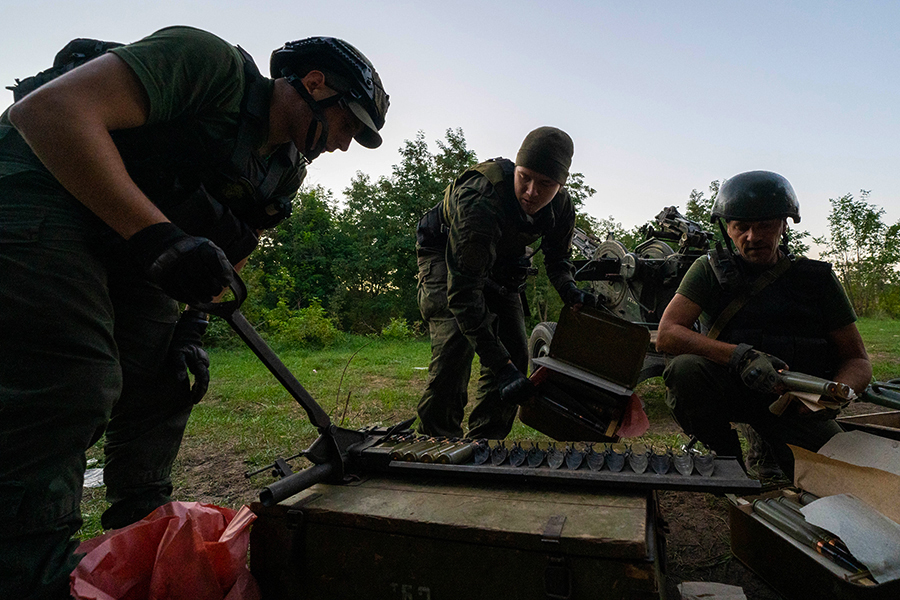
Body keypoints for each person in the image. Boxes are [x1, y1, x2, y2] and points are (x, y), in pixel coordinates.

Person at [0, 26, 388, 599]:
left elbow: (226, 251)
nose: (344, 143)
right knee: (74, 381)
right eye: (347, 123)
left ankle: (140, 537)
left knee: (166, 378)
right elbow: (46, 112)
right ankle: (27, 570)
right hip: (43, 194)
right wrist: (157, 238)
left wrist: (192, 320)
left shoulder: (284, 169)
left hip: (135, 240)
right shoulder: (209, 66)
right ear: (313, 85)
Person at [656, 170, 872, 479]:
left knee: (847, 480)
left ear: (784, 225)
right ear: (727, 229)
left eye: (765, 226)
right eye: (741, 227)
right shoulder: (708, 270)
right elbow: (668, 334)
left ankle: (772, 445)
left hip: (796, 404)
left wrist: (834, 395)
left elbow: (857, 359)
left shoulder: (816, 280)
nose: (753, 237)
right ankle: (727, 459)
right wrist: (740, 356)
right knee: (685, 370)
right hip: (733, 391)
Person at [415, 127, 596, 440]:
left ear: (560, 185)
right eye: (524, 176)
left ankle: (486, 442)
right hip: (446, 257)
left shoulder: (562, 208)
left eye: (545, 184)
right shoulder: (481, 199)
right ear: (516, 166)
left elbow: (557, 261)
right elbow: (463, 295)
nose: (530, 192)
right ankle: (437, 441)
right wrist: (501, 368)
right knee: (455, 346)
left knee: (516, 352)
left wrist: (569, 290)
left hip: (503, 264)